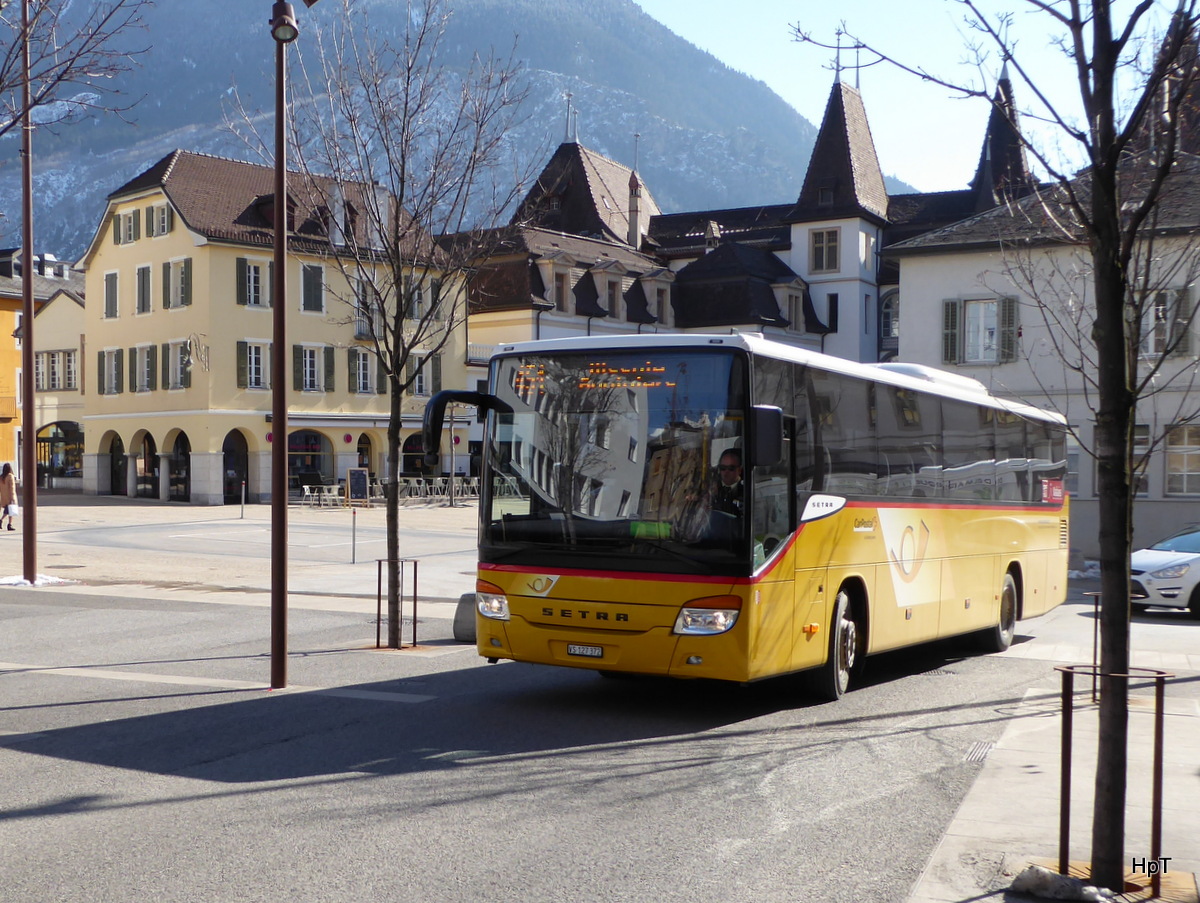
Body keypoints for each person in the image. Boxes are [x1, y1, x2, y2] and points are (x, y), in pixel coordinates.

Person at [711, 448, 744, 517]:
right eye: (723, 468)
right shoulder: (712, 488)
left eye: (731, 468)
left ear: (739, 470)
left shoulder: (746, 490)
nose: (726, 472)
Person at [0, 462, 16, 531]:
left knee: (8, 511)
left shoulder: (1, 477)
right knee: (10, 511)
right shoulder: (10, 476)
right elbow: (12, 488)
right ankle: (8, 524)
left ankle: (8, 523)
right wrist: (12, 498)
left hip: (4, 497)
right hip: (10, 496)